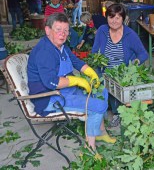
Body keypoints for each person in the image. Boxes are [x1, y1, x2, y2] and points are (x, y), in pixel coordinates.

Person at [27, 13, 116, 149]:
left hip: (65, 90)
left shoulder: (62, 46)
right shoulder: (44, 51)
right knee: (98, 106)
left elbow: (76, 61)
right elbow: (51, 83)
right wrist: (77, 81)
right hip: (50, 98)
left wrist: (90, 72)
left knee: (101, 92)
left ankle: (100, 133)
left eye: (66, 31)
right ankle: (90, 150)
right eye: (58, 30)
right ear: (47, 30)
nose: (62, 34)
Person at [92, 3, 148, 127]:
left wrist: (135, 63)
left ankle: (118, 113)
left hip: (122, 73)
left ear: (123, 19)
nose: (114, 21)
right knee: (97, 93)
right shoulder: (102, 30)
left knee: (117, 87)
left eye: (118, 18)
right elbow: (94, 51)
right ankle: (105, 111)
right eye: (111, 17)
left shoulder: (130, 34)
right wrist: (96, 61)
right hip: (104, 70)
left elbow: (143, 54)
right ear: (106, 18)